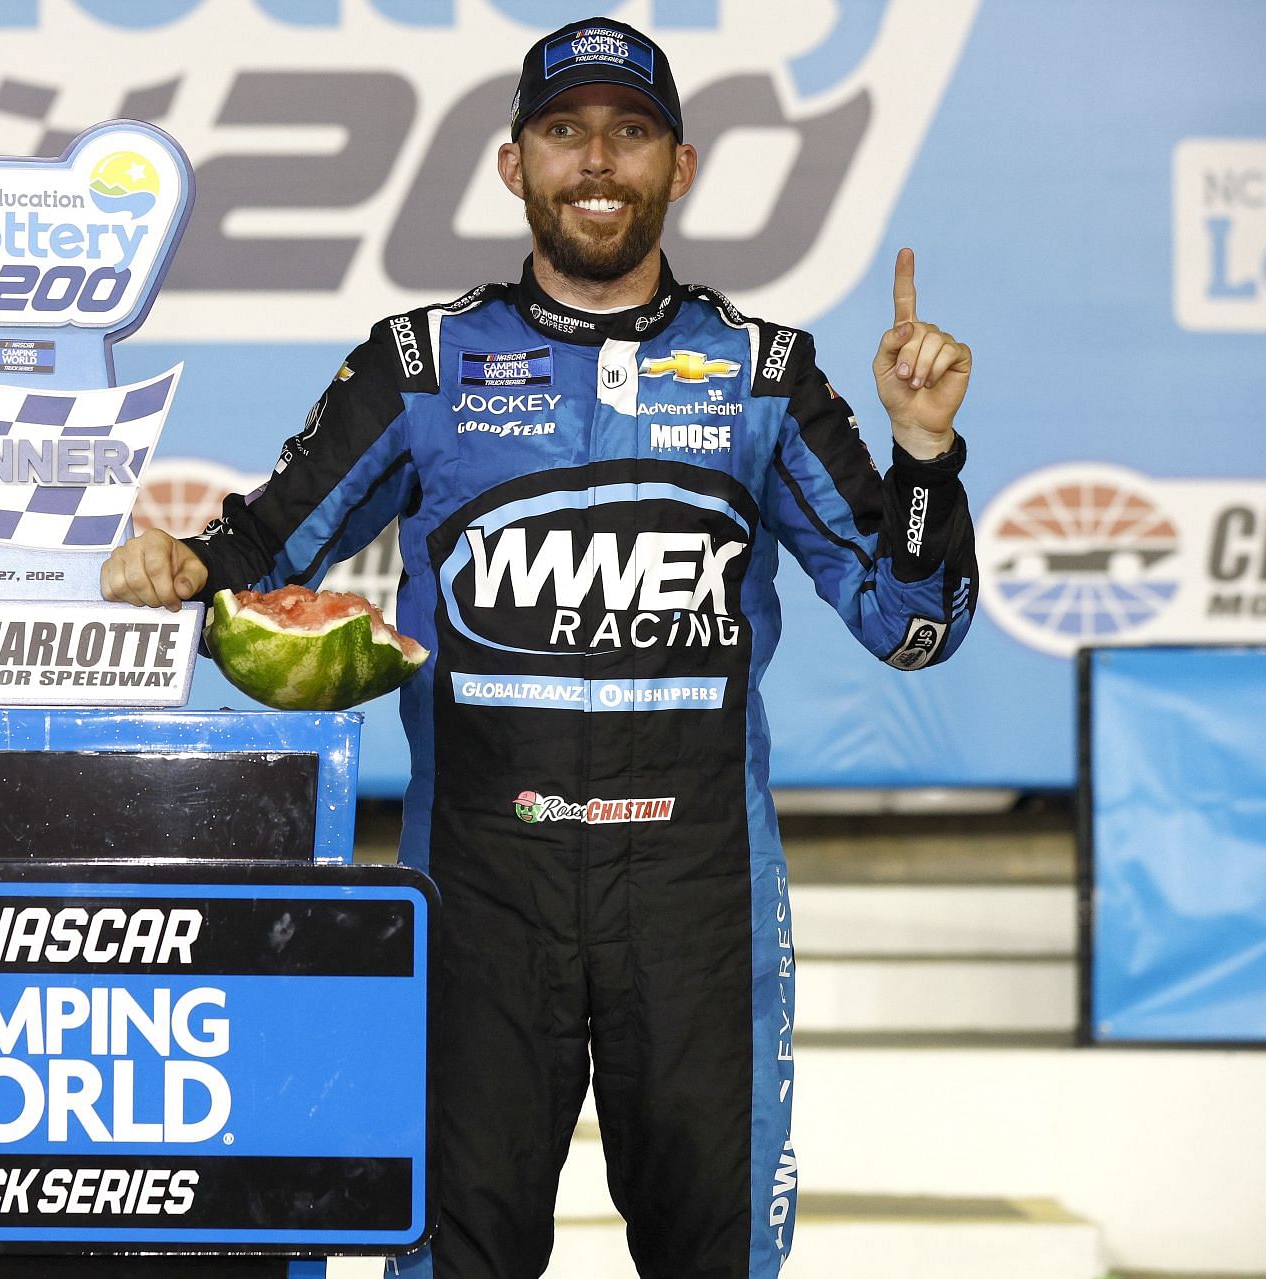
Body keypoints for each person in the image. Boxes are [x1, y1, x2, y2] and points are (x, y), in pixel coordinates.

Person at [101, 16, 976, 1279]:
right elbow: (260, 555)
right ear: (515, 166)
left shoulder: (766, 375)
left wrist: (925, 454)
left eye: (631, 134)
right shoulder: (421, 364)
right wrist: (174, 568)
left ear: (682, 165)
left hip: (697, 901)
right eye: (565, 134)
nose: (598, 163)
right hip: (480, 892)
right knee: (452, 1259)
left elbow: (915, 626)